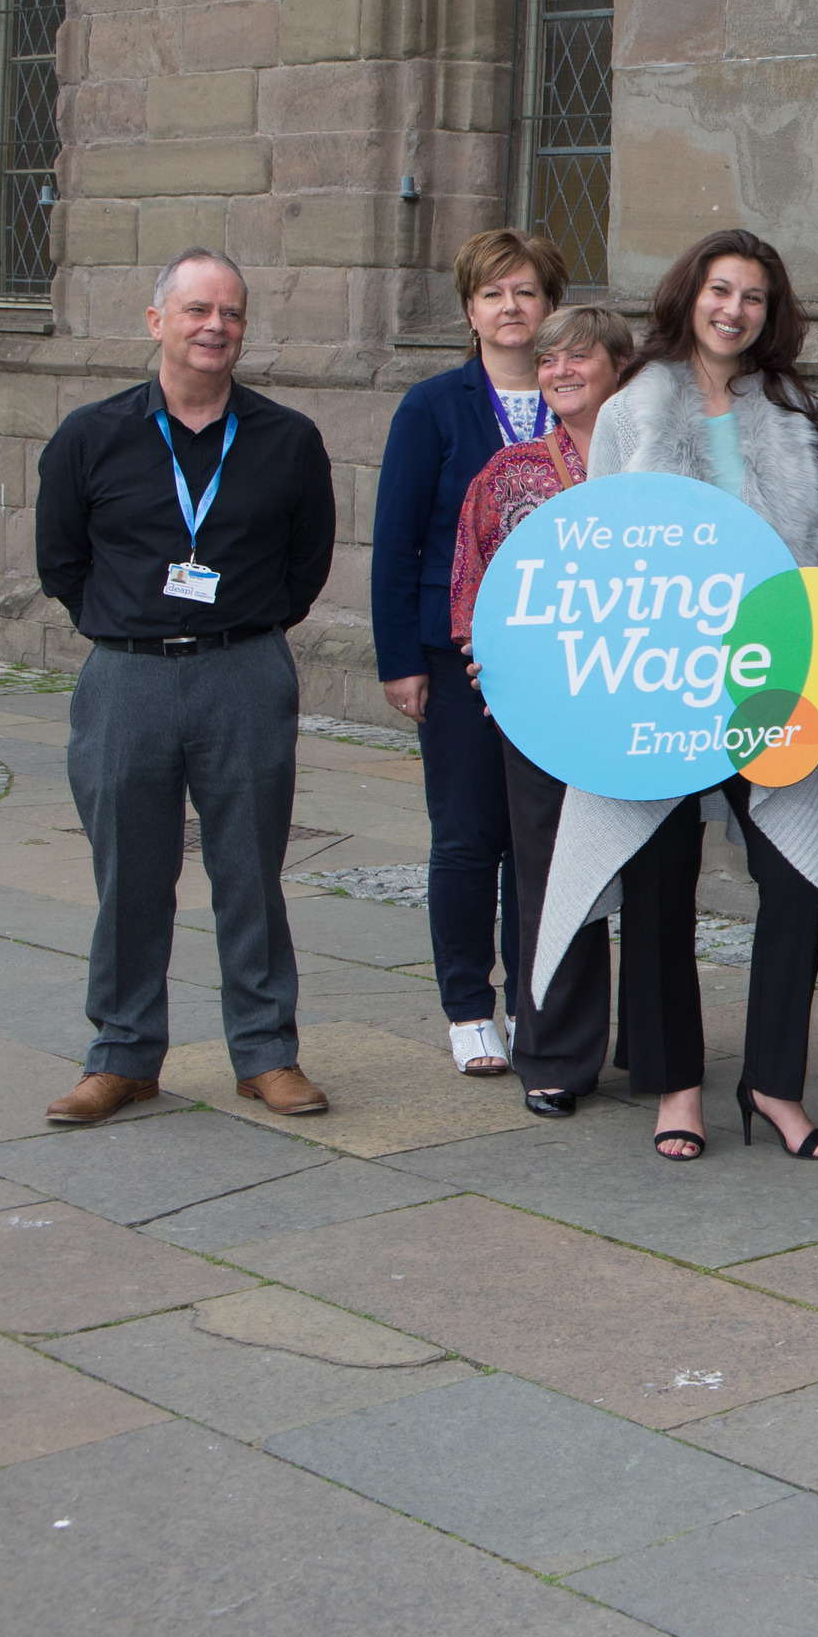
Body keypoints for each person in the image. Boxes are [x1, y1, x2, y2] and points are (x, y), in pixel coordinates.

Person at [527, 230, 818, 1164]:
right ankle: (676, 1086)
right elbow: (595, 547)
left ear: (770, 312)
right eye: (721, 290)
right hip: (658, 680)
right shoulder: (636, 403)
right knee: (660, 884)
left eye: (753, 297)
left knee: (795, 885)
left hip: (766, 679)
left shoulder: (797, 412)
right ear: (690, 294)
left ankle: (773, 1085)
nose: (734, 310)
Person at [35, 250, 337, 1125]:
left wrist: (243, 629)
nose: (216, 327)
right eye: (198, 309)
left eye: (232, 314)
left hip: (243, 671)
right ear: (156, 320)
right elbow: (62, 560)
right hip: (126, 674)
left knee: (250, 869)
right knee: (129, 870)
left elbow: (304, 566)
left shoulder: (286, 438)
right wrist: (122, 620)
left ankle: (266, 1053)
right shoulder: (93, 435)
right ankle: (123, 1056)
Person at [371, 228, 566, 1076]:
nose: (511, 308)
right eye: (494, 294)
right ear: (469, 310)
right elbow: (396, 539)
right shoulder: (434, 406)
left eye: (526, 292)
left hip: (561, 655)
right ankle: (465, 1005)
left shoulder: (581, 397)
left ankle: (535, 1000)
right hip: (455, 655)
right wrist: (400, 659)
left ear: (550, 304)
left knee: (543, 835)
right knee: (465, 833)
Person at [445, 302, 635, 1115]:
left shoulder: (658, 473)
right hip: (548, 712)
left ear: (617, 370)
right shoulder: (510, 472)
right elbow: (472, 582)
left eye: (579, 358)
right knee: (553, 879)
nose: (560, 371)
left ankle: (661, 1052)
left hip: (647, 697)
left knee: (656, 884)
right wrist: (486, 663)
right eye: (550, 361)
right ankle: (554, 1050)